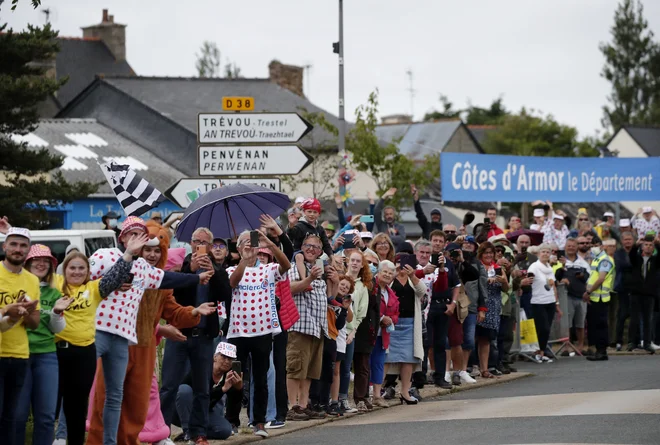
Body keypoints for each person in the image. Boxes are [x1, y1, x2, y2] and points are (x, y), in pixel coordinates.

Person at [87, 222, 218, 445]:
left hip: (144, 349)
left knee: (137, 405)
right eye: (148, 249)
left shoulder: (157, 279)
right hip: (114, 341)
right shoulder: (115, 265)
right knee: (107, 397)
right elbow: (85, 282)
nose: (152, 254)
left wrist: (194, 311)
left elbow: (173, 310)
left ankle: (129, 440)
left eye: (158, 250)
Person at [54, 234, 147, 445]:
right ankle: (59, 437)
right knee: (55, 399)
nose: (77, 272)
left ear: (88, 272)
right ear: (64, 270)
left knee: (78, 403)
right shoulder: (56, 284)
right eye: (72, 268)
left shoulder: (93, 289)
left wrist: (129, 253)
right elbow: (33, 271)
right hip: (59, 351)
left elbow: (115, 275)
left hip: (84, 353)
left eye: (81, 268)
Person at [225, 230, 291, 437]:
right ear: (237, 248)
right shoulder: (231, 269)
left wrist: (270, 244)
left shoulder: (268, 269)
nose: (248, 245)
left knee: (261, 379)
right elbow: (232, 283)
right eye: (243, 242)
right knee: (236, 378)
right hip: (237, 333)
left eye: (251, 242)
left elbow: (286, 266)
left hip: (263, 332)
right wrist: (244, 260)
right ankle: (232, 421)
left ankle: (259, 422)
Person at [13, 245, 72, 445]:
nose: (41, 264)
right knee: (18, 415)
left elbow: (58, 329)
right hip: (19, 354)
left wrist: (56, 313)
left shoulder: (55, 293)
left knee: (46, 417)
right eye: (37, 260)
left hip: (47, 356)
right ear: (27, 263)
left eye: (46, 261)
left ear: (51, 266)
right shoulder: (17, 288)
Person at [286, 234, 336, 419]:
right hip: (300, 326)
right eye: (307, 245)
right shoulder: (293, 267)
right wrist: (309, 279)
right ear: (302, 247)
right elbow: (290, 288)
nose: (310, 249)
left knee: (309, 371)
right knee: (295, 368)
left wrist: (335, 281)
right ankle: (292, 407)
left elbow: (328, 298)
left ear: (320, 252)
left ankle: (303, 404)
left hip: (318, 327)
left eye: (315, 247)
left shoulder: (319, 270)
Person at [0, 227, 42, 445]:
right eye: (14, 244)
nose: (18, 249)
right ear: (4, 246)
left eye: (23, 245)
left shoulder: (32, 281)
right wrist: (8, 310)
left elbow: (34, 324)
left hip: (19, 355)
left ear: (28, 250)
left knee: (11, 418)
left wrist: (25, 313)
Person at [174, 342, 242, 441]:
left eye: (230, 359)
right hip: (183, 410)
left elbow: (234, 404)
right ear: (215, 357)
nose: (227, 361)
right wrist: (222, 389)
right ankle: (187, 431)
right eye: (223, 357)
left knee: (225, 430)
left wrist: (238, 388)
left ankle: (196, 434)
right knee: (184, 389)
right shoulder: (202, 369)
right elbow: (185, 392)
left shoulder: (229, 376)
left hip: (203, 412)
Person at [386, 254, 430, 404]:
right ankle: (379, 391)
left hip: (410, 323)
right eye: (398, 262)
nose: (402, 266)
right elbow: (382, 288)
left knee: (408, 359)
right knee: (387, 357)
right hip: (392, 324)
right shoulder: (391, 279)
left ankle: (405, 391)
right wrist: (393, 274)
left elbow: (422, 291)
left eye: (405, 263)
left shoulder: (413, 280)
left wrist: (412, 275)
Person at [339, 251, 372, 414]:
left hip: (350, 331)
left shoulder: (363, 287)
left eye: (358, 261)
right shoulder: (339, 279)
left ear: (362, 264)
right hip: (335, 328)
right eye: (352, 260)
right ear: (347, 262)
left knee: (346, 367)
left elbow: (361, 313)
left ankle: (343, 398)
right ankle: (331, 400)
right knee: (334, 366)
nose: (354, 263)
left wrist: (353, 332)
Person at [368, 261, 399, 409]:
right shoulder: (371, 287)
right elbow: (369, 308)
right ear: (378, 273)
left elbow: (395, 314)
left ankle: (377, 396)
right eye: (384, 271)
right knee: (365, 363)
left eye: (390, 273)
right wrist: (381, 318)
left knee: (379, 364)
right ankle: (365, 395)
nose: (387, 275)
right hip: (369, 332)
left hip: (383, 334)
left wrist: (389, 320)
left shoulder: (390, 293)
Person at [475, 242, 508, 377]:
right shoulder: (478, 267)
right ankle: (472, 366)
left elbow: (506, 289)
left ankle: (485, 368)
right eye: (486, 252)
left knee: (487, 339)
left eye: (490, 253)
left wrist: (503, 281)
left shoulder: (498, 268)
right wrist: (487, 280)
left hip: (493, 307)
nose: (488, 255)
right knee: (475, 337)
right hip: (479, 305)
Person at [626, 234, 660, 354]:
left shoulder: (655, 260)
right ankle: (632, 342)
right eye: (646, 245)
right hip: (636, 293)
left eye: (651, 245)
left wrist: (658, 244)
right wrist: (636, 245)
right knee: (634, 319)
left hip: (649, 294)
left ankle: (647, 343)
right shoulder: (637, 259)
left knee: (648, 320)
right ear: (642, 246)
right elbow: (630, 255)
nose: (648, 247)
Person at [527, 243, 561, 363]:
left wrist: (557, 303)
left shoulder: (549, 268)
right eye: (543, 252)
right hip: (538, 301)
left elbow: (554, 286)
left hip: (550, 301)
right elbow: (528, 281)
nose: (545, 254)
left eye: (548, 252)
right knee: (543, 328)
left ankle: (542, 352)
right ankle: (538, 352)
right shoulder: (534, 267)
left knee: (547, 329)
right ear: (538, 253)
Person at [556, 238, 590, 354]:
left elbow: (588, 279)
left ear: (577, 247)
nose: (571, 247)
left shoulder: (583, 263)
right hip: (566, 297)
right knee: (567, 324)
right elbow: (555, 277)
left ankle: (580, 346)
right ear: (565, 247)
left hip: (581, 296)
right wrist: (562, 269)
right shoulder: (559, 261)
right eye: (568, 246)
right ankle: (566, 347)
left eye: (573, 246)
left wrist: (582, 276)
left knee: (581, 323)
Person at [585, 239, 617, 361]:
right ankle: (598, 349)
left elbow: (601, 279)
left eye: (596, 245)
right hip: (594, 297)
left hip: (600, 298)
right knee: (595, 325)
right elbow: (593, 277)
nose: (594, 247)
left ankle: (602, 351)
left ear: (603, 247)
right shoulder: (597, 259)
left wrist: (588, 291)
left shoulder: (604, 260)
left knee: (600, 325)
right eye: (592, 245)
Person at [329, 275, 354, 413]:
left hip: (340, 339)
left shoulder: (347, 302)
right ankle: (327, 398)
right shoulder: (330, 297)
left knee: (337, 370)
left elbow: (350, 319)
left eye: (347, 287)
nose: (343, 287)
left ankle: (335, 399)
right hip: (329, 335)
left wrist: (347, 306)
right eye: (342, 284)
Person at [614, 232, 636, 351]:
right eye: (626, 240)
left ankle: (633, 341)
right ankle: (618, 341)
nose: (628, 242)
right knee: (621, 315)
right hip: (622, 288)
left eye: (630, 239)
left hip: (635, 288)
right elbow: (623, 264)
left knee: (634, 316)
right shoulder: (618, 253)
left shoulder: (637, 251)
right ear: (622, 241)